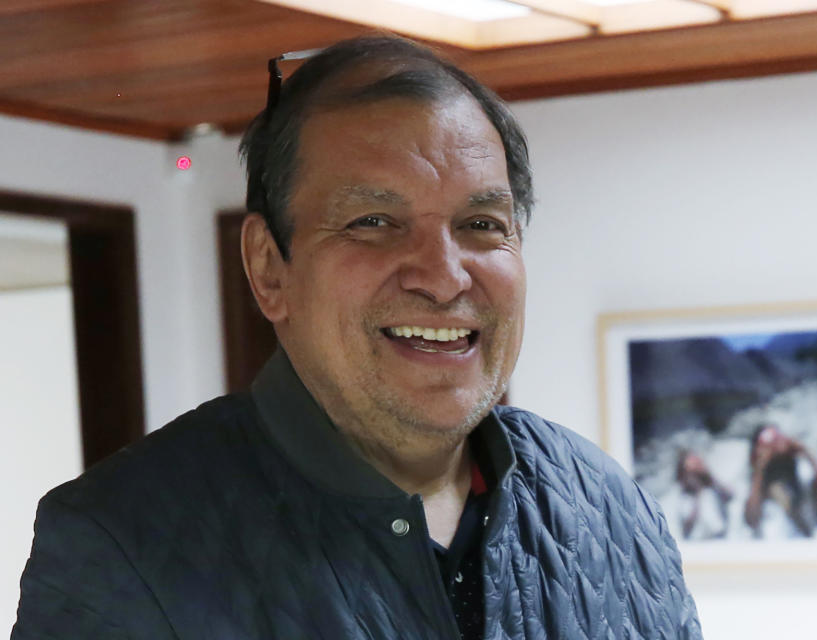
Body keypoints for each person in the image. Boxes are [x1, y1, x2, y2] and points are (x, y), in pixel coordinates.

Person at [13, 36, 702, 639]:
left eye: (482, 224)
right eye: (373, 221)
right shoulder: (124, 543)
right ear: (268, 269)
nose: (442, 276)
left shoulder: (610, 506)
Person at [744, 423, 817, 538]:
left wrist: (805, 451)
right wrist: (760, 467)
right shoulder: (750, 483)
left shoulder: (802, 473)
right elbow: (751, 520)